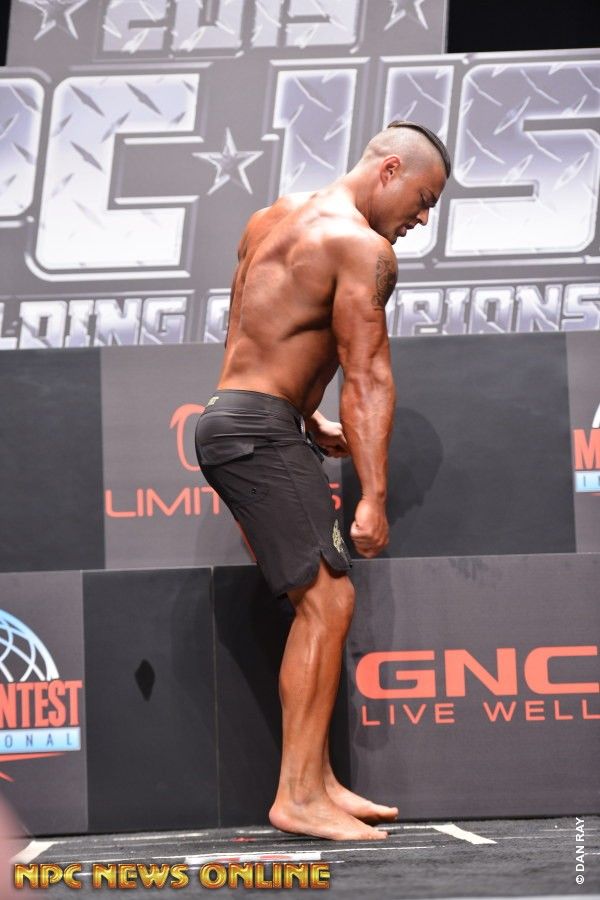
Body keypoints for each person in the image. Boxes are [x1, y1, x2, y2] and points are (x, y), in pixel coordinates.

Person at [195, 121, 451, 841]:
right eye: (424, 200)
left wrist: (303, 418)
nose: (422, 220)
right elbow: (366, 375)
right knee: (329, 602)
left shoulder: (272, 217)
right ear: (390, 169)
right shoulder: (362, 248)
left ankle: (318, 781)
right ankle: (298, 796)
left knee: (323, 601)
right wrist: (373, 496)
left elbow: (252, 330)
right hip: (259, 432)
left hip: (233, 416)